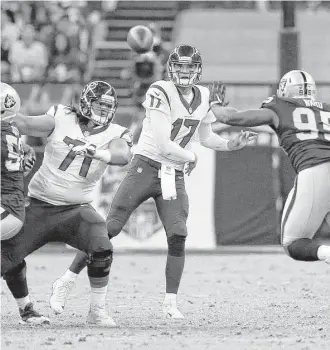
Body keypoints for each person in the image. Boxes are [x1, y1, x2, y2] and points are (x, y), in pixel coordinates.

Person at [49, 45, 257, 320]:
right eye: (180, 66)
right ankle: (66, 280)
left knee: (178, 233)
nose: (184, 72)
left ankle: (170, 303)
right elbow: (162, 142)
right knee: (108, 229)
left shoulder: (204, 95)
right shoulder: (160, 90)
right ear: (171, 68)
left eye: (189, 67)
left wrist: (231, 145)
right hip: (146, 166)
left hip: (173, 172)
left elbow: (205, 137)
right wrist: (190, 155)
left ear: (197, 70)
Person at [1, 81, 132, 327]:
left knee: (102, 245)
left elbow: (123, 154)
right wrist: (4, 113)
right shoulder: (61, 116)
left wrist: (100, 153)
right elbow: (25, 123)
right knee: (6, 255)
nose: (103, 111)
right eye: (98, 105)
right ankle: (27, 309)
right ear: (84, 102)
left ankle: (97, 310)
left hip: (76, 211)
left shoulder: (117, 132)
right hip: (38, 206)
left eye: (108, 106)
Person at [211, 70, 330, 264]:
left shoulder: (279, 107)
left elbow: (231, 118)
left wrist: (214, 105)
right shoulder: (326, 109)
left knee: (293, 243)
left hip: (315, 170)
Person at [1, 82, 49, 324]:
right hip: (11, 207)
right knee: (12, 256)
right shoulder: (12, 131)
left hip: (7, 208)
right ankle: (27, 309)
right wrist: (25, 156)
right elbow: (24, 150)